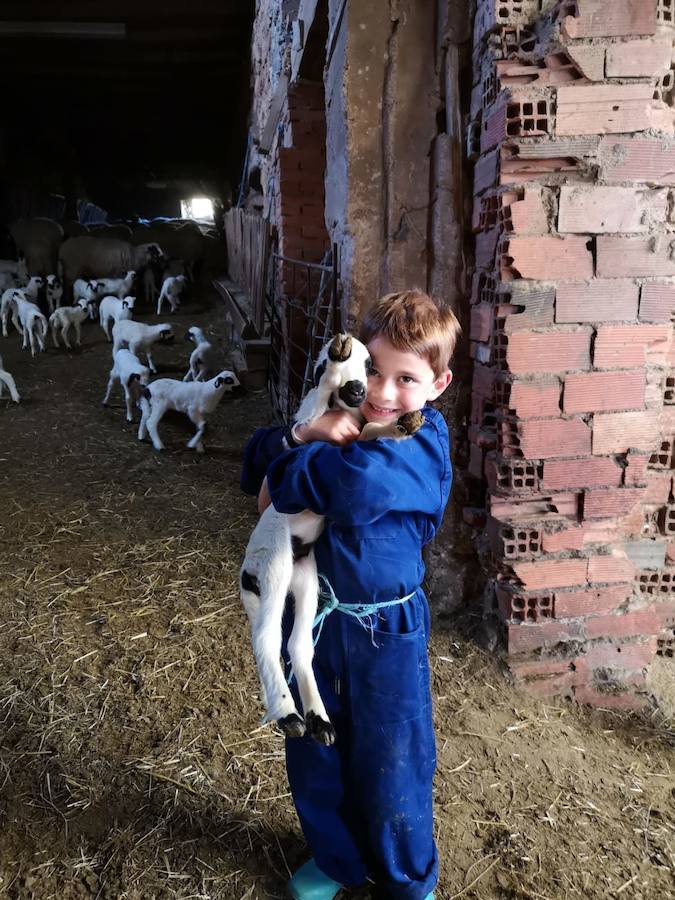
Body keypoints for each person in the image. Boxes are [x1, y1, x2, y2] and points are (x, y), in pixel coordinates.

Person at [240, 290, 461, 899]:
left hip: (384, 631)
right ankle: (337, 860)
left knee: (394, 755)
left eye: (406, 379)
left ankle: (405, 879)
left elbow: (354, 490)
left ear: (438, 383)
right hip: (310, 620)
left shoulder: (424, 444)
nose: (384, 393)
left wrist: (291, 461)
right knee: (316, 748)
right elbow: (250, 456)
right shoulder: (340, 417)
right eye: (373, 372)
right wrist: (305, 431)